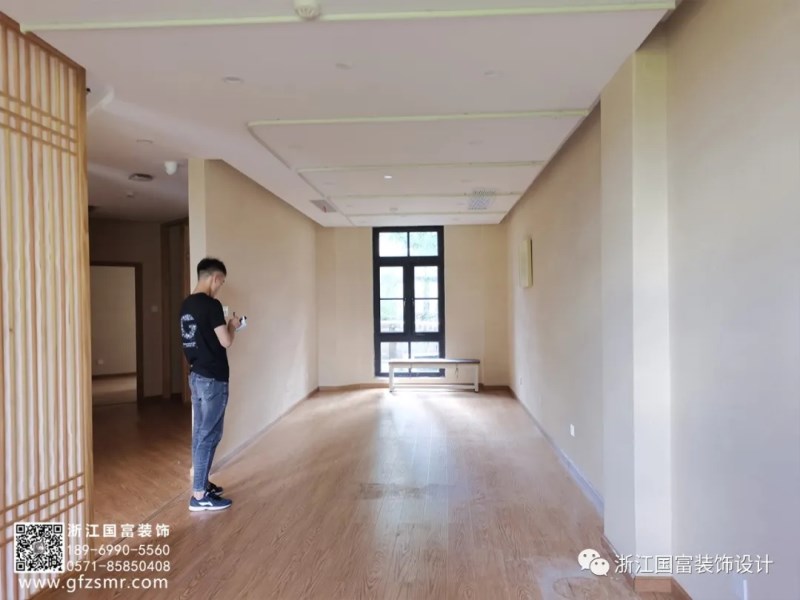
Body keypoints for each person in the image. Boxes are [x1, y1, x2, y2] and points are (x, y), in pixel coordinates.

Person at [179, 257, 241, 511]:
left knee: (200, 433)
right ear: (215, 277)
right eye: (221, 282)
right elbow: (226, 341)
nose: (220, 287)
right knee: (210, 434)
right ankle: (199, 495)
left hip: (196, 375)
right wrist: (232, 326)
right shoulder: (211, 305)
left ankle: (202, 483)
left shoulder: (186, 304)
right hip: (213, 378)